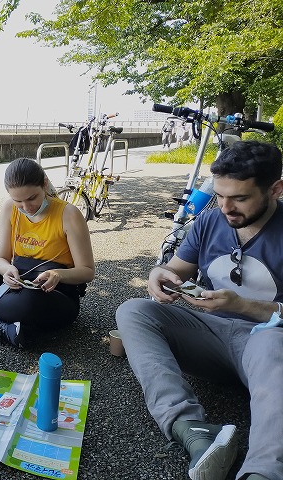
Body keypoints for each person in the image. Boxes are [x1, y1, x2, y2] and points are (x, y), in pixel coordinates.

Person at [116, 141, 283, 480]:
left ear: (276, 189)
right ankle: (190, 428)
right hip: (210, 335)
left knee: (271, 343)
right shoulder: (210, 220)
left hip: (267, 345)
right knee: (133, 311)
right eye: (220, 196)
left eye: (240, 198)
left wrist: (243, 305)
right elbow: (178, 270)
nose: (226, 208)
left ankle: (263, 471)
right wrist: (160, 276)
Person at [0, 157, 95, 347]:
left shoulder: (68, 214)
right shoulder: (9, 208)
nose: (27, 207)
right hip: (17, 281)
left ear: (45, 184)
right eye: (18, 201)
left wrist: (57, 274)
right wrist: (6, 270)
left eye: (32, 198)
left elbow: (87, 271)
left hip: (53, 293)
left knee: (21, 303)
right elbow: (0, 259)